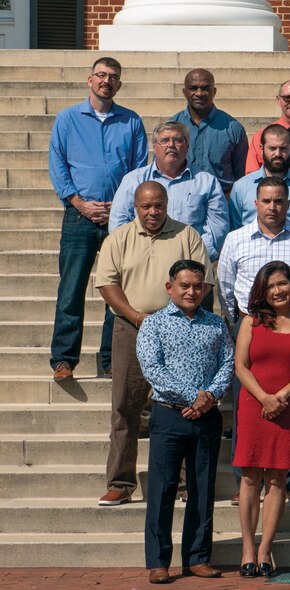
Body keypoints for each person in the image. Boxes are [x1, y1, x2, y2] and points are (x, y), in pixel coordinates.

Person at [95, 181, 211, 507]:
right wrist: (136, 316)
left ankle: (185, 484)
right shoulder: (118, 238)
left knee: (183, 404)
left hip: (179, 329)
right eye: (146, 206)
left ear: (166, 204)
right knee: (126, 406)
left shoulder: (187, 235)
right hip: (132, 327)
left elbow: (205, 283)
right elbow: (106, 283)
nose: (153, 211)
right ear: (136, 207)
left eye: (158, 205)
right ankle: (120, 482)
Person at [49, 56, 148, 381]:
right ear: (89, 80)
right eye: (101, 75)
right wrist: (79, 203)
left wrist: (120, 206)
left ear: (119, 84)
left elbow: (139, 169)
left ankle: (111, 361)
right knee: (71, 290)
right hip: (79, 217)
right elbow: (58, 166)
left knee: (117, 291)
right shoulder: (67, 119)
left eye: (113, 76)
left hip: (119, 221)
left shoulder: (131, 122)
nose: (107, 80)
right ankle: (64, 360)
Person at [138, 260, 233, 585]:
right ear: (170, 288)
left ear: (206, 288)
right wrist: (195, 395)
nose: (192, 291)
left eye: (197, 285)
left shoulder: (216, 324)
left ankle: (197, 558)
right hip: (168, 414)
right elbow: (153, 369)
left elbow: (227, 364)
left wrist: (208, 397)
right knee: (163, 489)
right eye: (185, 285)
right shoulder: (154, 325)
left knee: (202, 489)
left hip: (206, 416)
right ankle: (159, 560)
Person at [232, 262, 290, 578]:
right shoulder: (251, 321)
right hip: (254, 405)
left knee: (277, 479)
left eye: (282, 283)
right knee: (249, 476)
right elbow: (241, 366)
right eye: (271, 286)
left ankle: (264, 549)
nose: (277, 290)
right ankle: (247, 548)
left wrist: (281, 395)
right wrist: (264, 397)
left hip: (288, 407)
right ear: (262, 290)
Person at [111, 120, 229, 263]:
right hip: (142, 260)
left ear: (187, 147)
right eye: (164, 140)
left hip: (192, 263)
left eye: (178, 140)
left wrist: (194, 257)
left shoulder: (207, 182)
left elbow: (218, 228)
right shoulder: (133, 180)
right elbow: (118, 223)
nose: (171, 145)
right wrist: (141, 256)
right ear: (154, 147)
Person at [218, 176, 290, 325]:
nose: (272, 207)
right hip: (250, 324)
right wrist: (238, 321)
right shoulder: (234, 239)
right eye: (266, 201)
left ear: (288, 204)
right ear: (256, 204)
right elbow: (225, 287)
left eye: (279, 201)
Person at [230, 124, 290, 249]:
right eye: (272, 148)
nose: (278, 153)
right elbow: (234, 231)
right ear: (261, 148)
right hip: (252, 261)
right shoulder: (241, 187)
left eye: (283, 148)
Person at [172, 68, 248, 195]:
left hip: (222, 200)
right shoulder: (172, 127)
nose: (199, 93)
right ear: (184, 92)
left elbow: (241, 176)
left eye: (205, 88)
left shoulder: (233, 128)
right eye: (193, 88)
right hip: (181, 198)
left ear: (214, 91)